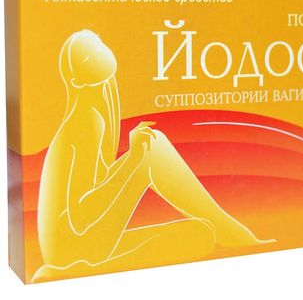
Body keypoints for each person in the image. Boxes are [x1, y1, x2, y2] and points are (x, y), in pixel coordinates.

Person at [32, 30, 271, 282]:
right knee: (151, 147)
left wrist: (132, 160)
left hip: (81, 243)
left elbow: (97, 192)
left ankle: (227, 232)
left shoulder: (95, 114)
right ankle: (234, 234)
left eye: (98, 45)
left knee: (201, 233)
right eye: (87, 58)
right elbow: (81, 217)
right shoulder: (86, 120)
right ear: (78, 80)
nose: (98, 54)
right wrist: (134, 159)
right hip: (72, 246)